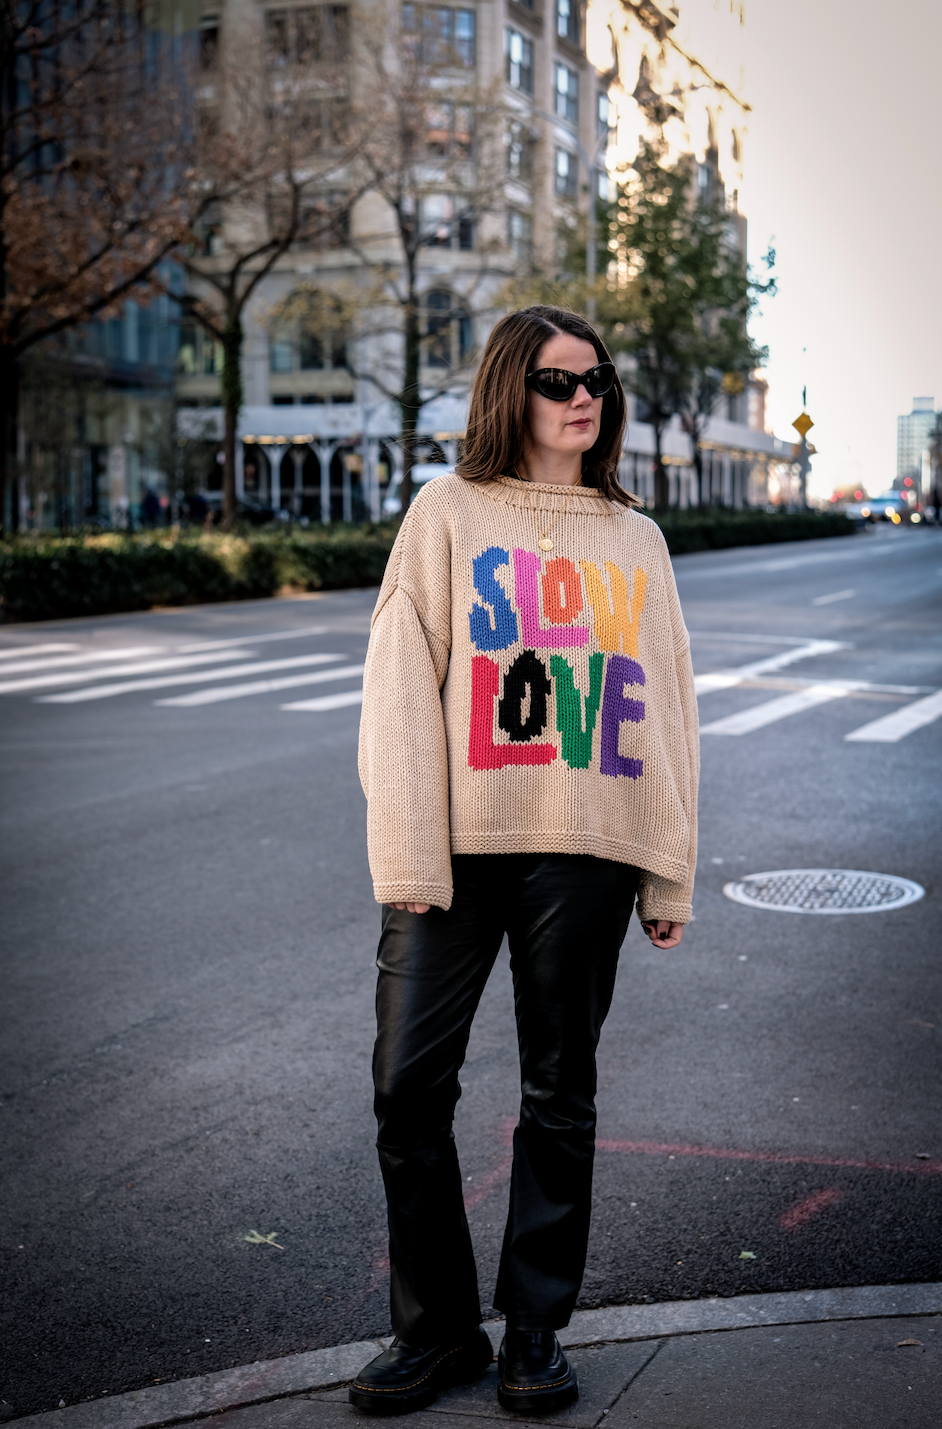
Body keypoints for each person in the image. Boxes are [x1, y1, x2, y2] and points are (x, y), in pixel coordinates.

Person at [353, 306, 698, 1416]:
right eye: (558, 382)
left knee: (561, 1093)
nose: (583, 397)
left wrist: (668, 869)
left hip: (584, 854)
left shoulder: (635, 537)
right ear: (513, 390)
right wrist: (407, 845)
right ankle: (440, 1329)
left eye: (596, 378)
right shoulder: (447, 512)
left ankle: (534, 1330)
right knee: (409, 1089)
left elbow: (671, 708)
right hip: (454, 849)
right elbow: (401, 687)